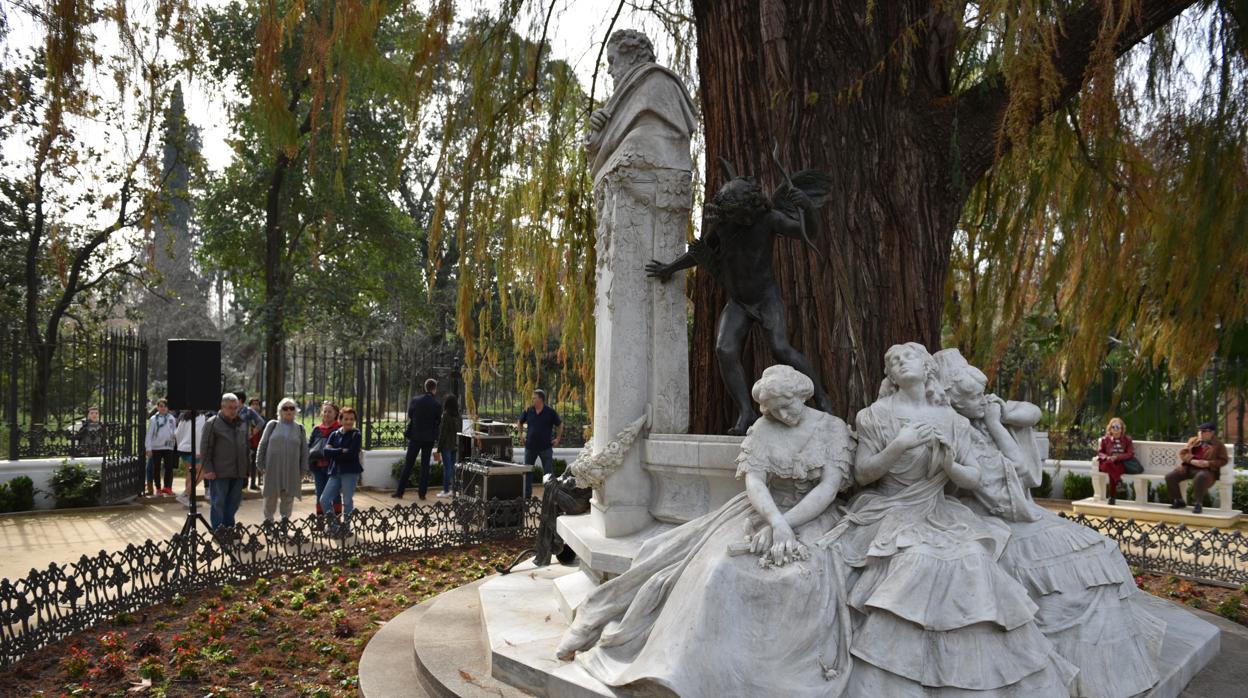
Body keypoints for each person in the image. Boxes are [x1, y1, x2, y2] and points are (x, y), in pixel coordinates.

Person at [555, 365, 854, 696]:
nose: (783, 414)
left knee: (798, 576)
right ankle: (649, 650)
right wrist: (775, 522)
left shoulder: (831, 429)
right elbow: (755, 481)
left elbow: (828, 488)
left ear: (802, 395)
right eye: (774, 409)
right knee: (707, 567)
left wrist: (788, 526)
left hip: (813, 518)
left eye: (788, 404)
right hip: (762, 513)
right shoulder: (764, 429)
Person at [817, 343, 1075, 695]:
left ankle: (971, 677)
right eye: (893, 360)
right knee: (916, 560)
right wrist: (899, 445)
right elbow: (863, 474)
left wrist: (950, 465)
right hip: (892, 510)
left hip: (939, 511)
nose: (900, 361)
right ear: (890, 376)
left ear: (927, 369)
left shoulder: (953, 420)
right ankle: (897, 679)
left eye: (908, 356)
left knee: (973, 558)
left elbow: (975, 478)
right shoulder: (874, 416)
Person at [935, 348, 1165, 698]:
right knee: (1071, 574)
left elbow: (1032, 411)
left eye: (982, 394)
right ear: (951, 400)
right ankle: (1084, 673)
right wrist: (997, 424)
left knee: (1098, 551)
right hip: (987, 512)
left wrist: (998, 414)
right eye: (971, 397)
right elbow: (1022, 475)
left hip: (1014, 508)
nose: (981, 402)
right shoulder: (959, 431)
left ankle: (1107, 673)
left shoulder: (981, 412)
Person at [199, 393, 250, 532]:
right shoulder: (212, 423)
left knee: (233, 503)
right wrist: (208, 469)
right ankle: (218, 530)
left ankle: (229, 528)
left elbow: (246, 446)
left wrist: (246, 469)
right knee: (219, 502)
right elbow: (205, 449)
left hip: (238, 471)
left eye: (236, 407)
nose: (233, 410)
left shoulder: (242, 423)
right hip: (219, 472)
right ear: (222, 407)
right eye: (230, 407)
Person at [256, 397, 309, 525]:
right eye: (285, 408)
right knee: (270, 497)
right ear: (280, 411)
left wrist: (303, 470)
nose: (289, 411)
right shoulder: (272, 425)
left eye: (292, 408)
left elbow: (304, 451)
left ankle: (284, 523)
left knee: (288, 498)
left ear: (295, 411)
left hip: (291, 469)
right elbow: (262, 444)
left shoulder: (300, 428)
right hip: (272, 467)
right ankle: (268, 522)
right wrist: (260, 463)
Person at [1166, 421, 1229, 514]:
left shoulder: (1219, 445)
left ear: (1211, 432)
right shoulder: (1193, 440)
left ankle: (1198, 504)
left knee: (1200, 477)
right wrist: (1191, 460)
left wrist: (1208, 463)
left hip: (1206, 471)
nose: (1200, 433)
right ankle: (1179, 501)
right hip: (1189, 468)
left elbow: (1223, 460)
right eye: (1199, 430)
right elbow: (1183, 453)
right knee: (1170, 476)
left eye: (1203, 431)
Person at [394, 378, 440, 500]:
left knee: (408, 464)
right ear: (434, 389)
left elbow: (410, 415)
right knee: (425, 466)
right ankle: (422, 494)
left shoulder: (416, 400)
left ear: (425, 387)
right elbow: (438, 421)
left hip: (415, 436)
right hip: (428, 438)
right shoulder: (436, 404)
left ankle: (399, 492)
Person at [321, 406, 363, 535]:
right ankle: (334, 526)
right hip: (335, 472)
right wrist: (340, 450)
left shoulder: (356, 434)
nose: (349, 422)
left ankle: (346, 527)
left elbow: (351, 454)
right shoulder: (335, 434)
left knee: (347, 500)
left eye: (351, 419)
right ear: (340, 420)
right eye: (346, 419)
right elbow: (326, 452)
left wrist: (336, 452)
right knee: (324, 499)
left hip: (350, 472)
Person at [518, 389, 563, 498]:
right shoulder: (528, 410)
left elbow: (560, 424)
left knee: (548, 473)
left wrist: (557, 438)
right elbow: (519, 422)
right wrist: (520, 435)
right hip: (530, 447)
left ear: (541, 399)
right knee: (528, 472)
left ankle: (549, 496)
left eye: (534, 398)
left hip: (545, 447)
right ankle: (527, 496)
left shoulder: (550, 412)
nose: (532, 399)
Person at [308, 401, 342, 516]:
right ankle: (321, 521)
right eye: (325, 411)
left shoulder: (339, 429)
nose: (327, 414)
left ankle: (337, 520)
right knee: (319, 494)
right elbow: (310, 445)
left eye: (330, 412)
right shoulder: (317, 429)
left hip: (333, 467)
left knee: (335, 494)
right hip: (318, 467)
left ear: (336, 414)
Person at [1096, 417, 1140, 505]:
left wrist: (1117, 457)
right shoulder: (1105, 440)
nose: (1115, 429)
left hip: (1121, 463)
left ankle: (1112, 496)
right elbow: (1100, 453)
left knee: (1113, 472)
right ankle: (1118, 484)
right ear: (1110, 429)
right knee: (1109, 465)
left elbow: (1130, 454)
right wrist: (1108, 457)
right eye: (1113, 427)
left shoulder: (1127, 440)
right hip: (1107, 463)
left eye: (1118, 427)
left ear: (1121, 429)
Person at [144, 399, 178, 496]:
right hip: (156, 447)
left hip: (168, 447)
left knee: (169, 468)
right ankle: (158, 488)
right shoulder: (153, 419)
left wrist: (175, 435)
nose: (163, 408)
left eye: (165, 406)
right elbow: (149, 434)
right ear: (158, 407)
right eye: (161, 406)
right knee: (156, 468)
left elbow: (174, 430)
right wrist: (148, 448)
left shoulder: (171, 418)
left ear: (168, 408)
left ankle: (167, 487)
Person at [174, 409, 207, 507]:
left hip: (183, 448)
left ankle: (187, 500)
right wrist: (198, 451)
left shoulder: (184, 417)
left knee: (190, 473)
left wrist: (180, 445)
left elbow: (177, 433)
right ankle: (185, 495)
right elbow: (198, 434)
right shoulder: (201, 417)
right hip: (193, 449)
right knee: (201, 473)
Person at [435, 394, 461, 498]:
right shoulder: (458, 416)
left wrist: (439, 448)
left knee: (447, 468)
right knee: (453, 468)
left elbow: (443, 433)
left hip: (446, 446)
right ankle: (454, 490)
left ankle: (446, 490)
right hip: (455, 445)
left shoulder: (446, 415)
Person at [243, 396, 265, 491]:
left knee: (254, 465)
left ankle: (253, 483)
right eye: (253, 404)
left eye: (257, 404)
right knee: (246, 464)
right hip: (247, 444)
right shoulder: (246, 417)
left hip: (258, 443)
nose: (255, 406)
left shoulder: (262, 418)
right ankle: (244, 484)